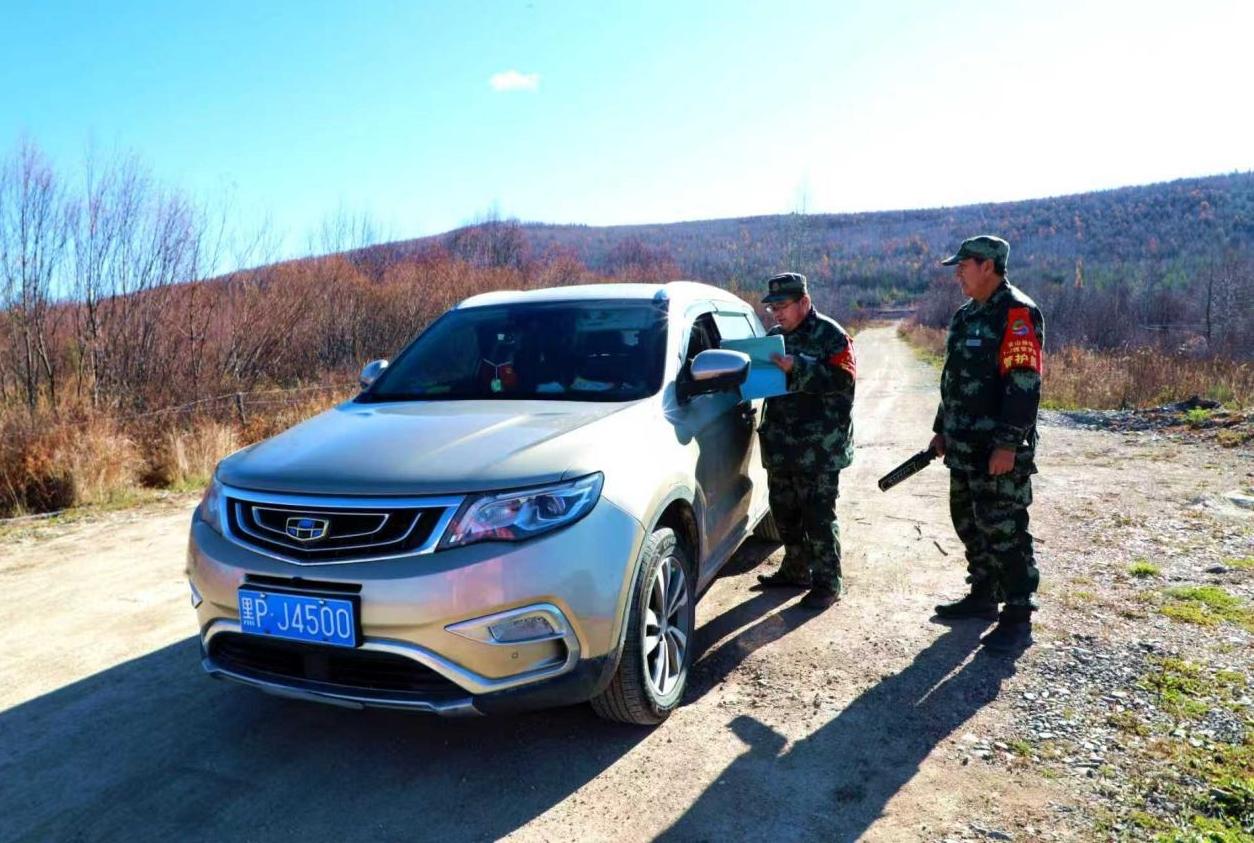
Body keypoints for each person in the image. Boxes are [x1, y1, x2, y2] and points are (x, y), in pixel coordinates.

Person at [930, 235, 1044, 651]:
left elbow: (1024, 384)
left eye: (964, 266)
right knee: (967, 521)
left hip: (997, 449)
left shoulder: (1016, 313)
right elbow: (953, 378)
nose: (958, 274)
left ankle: (1017, 613)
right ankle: (983, 594)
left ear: (988, 267)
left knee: (1004, 529)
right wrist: (942, 428)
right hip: (963, 446)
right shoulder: (966, 315)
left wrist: (1008, 444)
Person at [754, 272, 856, 610]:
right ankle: (796, 569)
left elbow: (844, 381)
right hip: (781, 444)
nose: (777, 314)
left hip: (819, 449)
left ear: (804, 302)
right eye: (773, 308)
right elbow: (762, 385)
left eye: (782, 306)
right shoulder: (773, 338)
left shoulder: (831, 335)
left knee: (818, 516)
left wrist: (799, 367)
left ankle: (828, 582)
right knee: (785, 512)